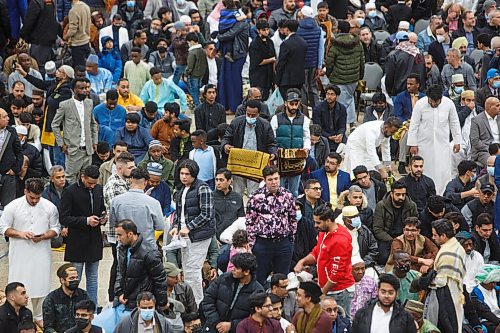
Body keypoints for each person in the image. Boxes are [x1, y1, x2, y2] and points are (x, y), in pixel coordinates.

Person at [0, 178, 60, 326]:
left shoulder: (49, 207)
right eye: (32, 197)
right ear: (25, 191)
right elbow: (4, 228)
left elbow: (56, 228)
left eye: (37, 198)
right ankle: (19, 314)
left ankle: (39, 315)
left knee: (41, 283)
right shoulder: (12, 207)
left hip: (41, 251)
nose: (34, 201)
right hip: (20, 253)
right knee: (20, 282)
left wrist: (45, 236)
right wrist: (21, 234)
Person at [294, 203, 355, 316]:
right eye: (314, 222)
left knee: (341, 324)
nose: (315, 225)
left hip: (340, 292)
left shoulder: (339, 240)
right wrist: (302, 261)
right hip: (327, 288)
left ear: (328, 221)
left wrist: (322, 292)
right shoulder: (324, 232)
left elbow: (336, 273)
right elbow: (317, 252)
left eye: (318, 222)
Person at [169, 159, 215, 305]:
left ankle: (197, 303)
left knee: (193, 271)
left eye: (187, 174)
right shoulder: (181, 190)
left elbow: (207, 214)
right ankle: (191, 302)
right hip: (184, 236)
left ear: (193, 174)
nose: (184, 177)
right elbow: (179, 213)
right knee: (187, 269)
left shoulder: (203, 188)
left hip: (199, 236)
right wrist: (176, 226)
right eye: (182, 173)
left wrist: (189, 227)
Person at [59, 165, 106, 305]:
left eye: (94, 183)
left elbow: (102, 208)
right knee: (75, 279)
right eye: (89, 183)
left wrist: (103, 217)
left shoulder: (99, 189)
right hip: (77, 241)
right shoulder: (70, 191)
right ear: (82, 177)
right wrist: (86, 221)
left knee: (93, 278)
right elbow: (64, 218)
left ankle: (93, 307)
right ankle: (73, 308)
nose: (91, 186)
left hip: (94, 240)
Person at [246, 165, 297, 284]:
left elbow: (293, 218)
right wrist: (252, 243)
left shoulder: (287, 196)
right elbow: (250, 221)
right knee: (259, 278)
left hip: (283, 243)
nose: (274, 182)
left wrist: (290, 240)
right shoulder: (256, 197)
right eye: (270, 179)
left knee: (282, 280)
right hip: (262, 243)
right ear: (264, 180)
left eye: (276, 179)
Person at [407, 84, 462, 195]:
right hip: (424, 144)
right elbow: (414, 124)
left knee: (443, 170)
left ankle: (442, 195)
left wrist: (457, 141)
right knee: (425, 168)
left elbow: (455, 123)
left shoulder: (448, 104)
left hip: (442, 144)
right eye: (432, 101)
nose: (434, 104)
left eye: (437, 102)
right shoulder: (420, 104)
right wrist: (413, 143)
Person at [221, 100, 278, 195]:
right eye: (248, 114)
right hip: (238, 163)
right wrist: (225, 145)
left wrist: (273, 154)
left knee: (254, 193)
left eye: (253, 115)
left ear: (258, 114)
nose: (250, 117)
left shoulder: (265, 125)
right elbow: (226, 138)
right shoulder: (236, 122)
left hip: (256, 165)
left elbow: (272, 143)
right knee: (237, 192)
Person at [201, 253, 265, 333]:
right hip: (213, 327)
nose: (232, 269)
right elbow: (208, 299)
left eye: (236, 268)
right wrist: (216, 322)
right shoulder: (223, 279)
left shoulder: (258, 291)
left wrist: (232, 326)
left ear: (246, 272)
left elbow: (256, 317)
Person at [52, 77, 98, 183]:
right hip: (73, 149)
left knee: (86, 177)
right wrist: (61, 143)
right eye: (81, 88)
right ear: (74, 90)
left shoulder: (89, 103)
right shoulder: (65, 105)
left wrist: (94, 141)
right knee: (71, 178)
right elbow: (55, 125)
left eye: (86, 88)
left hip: (87, 149)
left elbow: (93, 124)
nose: (85, 90)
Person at [114, 220, 168, 311]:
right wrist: (119, 292)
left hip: (142, 304)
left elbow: (160, 279)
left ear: (130, 234)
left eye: (120, 235)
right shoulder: (122, 249)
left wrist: (162, 303)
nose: (118, 239)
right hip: (125, 301)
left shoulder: (149, 253)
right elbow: (120, 272)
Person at [427, 219, 466, 333]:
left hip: (446, 296)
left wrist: (426, 278)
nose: (433, 237)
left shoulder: (447, 253)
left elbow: (440, 282)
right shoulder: (457, 246)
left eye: (435, 235)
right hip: (455, 293)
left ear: (443, 235)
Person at [109, 167, 165, 247]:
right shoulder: (153, 203)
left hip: (124, 246)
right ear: (146, 182)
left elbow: (112, 224)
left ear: (130, 179)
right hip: (147, 248)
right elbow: (160, 226)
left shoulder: (116, 201)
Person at [270, 89, 311, 197]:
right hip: (280, 160)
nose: (293, 107)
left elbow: (307, 137)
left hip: (297, 160)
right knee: (279, 190)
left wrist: (306, 148)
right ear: (285, 103)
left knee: (294, 192)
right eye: (291, 104)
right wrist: (275, 151)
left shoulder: (304, 119)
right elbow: (271, 138)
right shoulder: (276, 119)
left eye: (296, 104)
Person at [373, 181, 419, 265]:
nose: (401, 197)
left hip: (406, 236)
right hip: (387, 238)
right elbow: (377, 229)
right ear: (391, 194)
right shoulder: (381, 206)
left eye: (403, 195)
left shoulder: (412, 206)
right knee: (383, 258)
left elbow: (415, 224)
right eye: (398, 195)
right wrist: (392, 240)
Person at [352, 273, 417, 332]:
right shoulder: (362, 314)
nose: (386, 296)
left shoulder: (405, 317)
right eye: (383, 292)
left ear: (397, 293)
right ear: (377, 291)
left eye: (390, 293)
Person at [42, 264, 90, 333]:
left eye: (76, 278)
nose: (75, 280)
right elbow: (48, 327)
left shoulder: (84, 295)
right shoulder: (51, 299)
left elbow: (89, 319)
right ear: (62, 280)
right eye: (71, 278)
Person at [385, 32, 426, 99]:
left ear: (397, 41)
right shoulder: (419, 54)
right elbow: (423, 74)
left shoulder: (394, 55)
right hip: (417, 92)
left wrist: (390, 91)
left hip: (398, 93)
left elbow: (389, 76)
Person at [275, 19, 307, 100]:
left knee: (287, 101)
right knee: (296, 101)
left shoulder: (285, 44)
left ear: (287, 29)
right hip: (299, 78)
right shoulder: (303, 42)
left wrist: (277, 80)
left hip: (287, 79)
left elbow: (281, 63)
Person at [0, 108, 25, 209]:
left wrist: (15, 169)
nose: (8, 119)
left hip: (8, 174)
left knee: (9, 206)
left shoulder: (11, 131)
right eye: (5, 117)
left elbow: (19, 152)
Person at [312, 84, 347, 152]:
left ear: (337, 96)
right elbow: (317, 128)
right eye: (327, 94)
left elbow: (342, 126)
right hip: (324, 135)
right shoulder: (318, 108)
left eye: (332, 94)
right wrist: (329, 136)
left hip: (337, 135)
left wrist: (340, 134)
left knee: (347, 147)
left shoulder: (342, 108)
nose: (329, 96)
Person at [213, 168, 245, 241]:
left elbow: (241, 220)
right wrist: (213, 240)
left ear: (229, 181)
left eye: (221, 180)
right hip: (216, 239)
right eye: (216, 179)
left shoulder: (238, 197)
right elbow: (209, 221)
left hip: (233, 239)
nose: (218, 183)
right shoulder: (210, 197)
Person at [249, 20, 275, 100]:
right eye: (264, 30)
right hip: (258, 76)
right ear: (258, 30)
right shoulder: (255, 43)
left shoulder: (270, 41)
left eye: (267, 29)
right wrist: (271, 60)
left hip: (268, 76)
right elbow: (257, 62)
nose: (266, 32)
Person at [470, 97, 500, 167]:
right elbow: (475, 141)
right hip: (484, 151)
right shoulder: (476, 120)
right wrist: (492, 150)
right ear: (490, 107)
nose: (499, 107)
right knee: (496, 162)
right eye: (497, 105)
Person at [470, 264, 500, 332]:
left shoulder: (497, 290)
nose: (494, 285)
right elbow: (484, 312)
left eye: (495, 282)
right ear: (484, 280)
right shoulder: (475, 293)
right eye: (491, 282)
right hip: (486, 320)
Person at [63, 0, 91, 67]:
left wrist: (65, 37)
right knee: (87, 67)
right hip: (86, 42)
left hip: (78, 45)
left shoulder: (73, 11)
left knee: (79, 69)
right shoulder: (86, 6)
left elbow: (73, 30)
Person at [185, 33, 207, 107]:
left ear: (191, 41)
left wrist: (185, 74)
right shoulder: (203, 50)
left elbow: (190, 66)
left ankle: (197, 105)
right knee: (197, 90)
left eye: (188, 42)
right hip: (201, 74)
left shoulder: (192, 52)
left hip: (193, 74)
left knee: (194, 91)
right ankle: (198, 104)